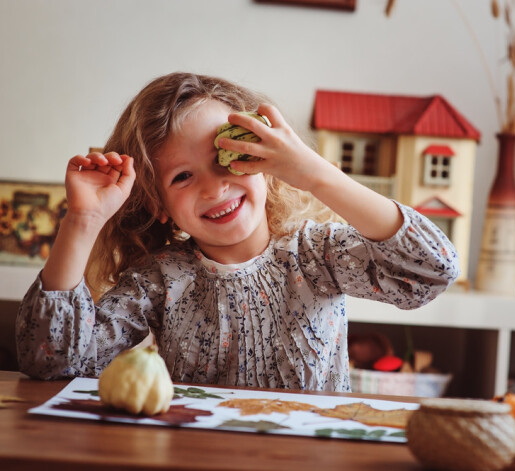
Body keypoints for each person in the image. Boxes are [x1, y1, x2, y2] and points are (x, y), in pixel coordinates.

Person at [16, 72, 459, 391]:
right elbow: (53, 363)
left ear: (267, 162)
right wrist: (83, 222)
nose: (214, 187)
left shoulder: (319, 255)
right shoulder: (161, 280)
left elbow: (432, 270)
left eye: (226, 158)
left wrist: (316, 174)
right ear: (160, 207)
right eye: (182, 178)